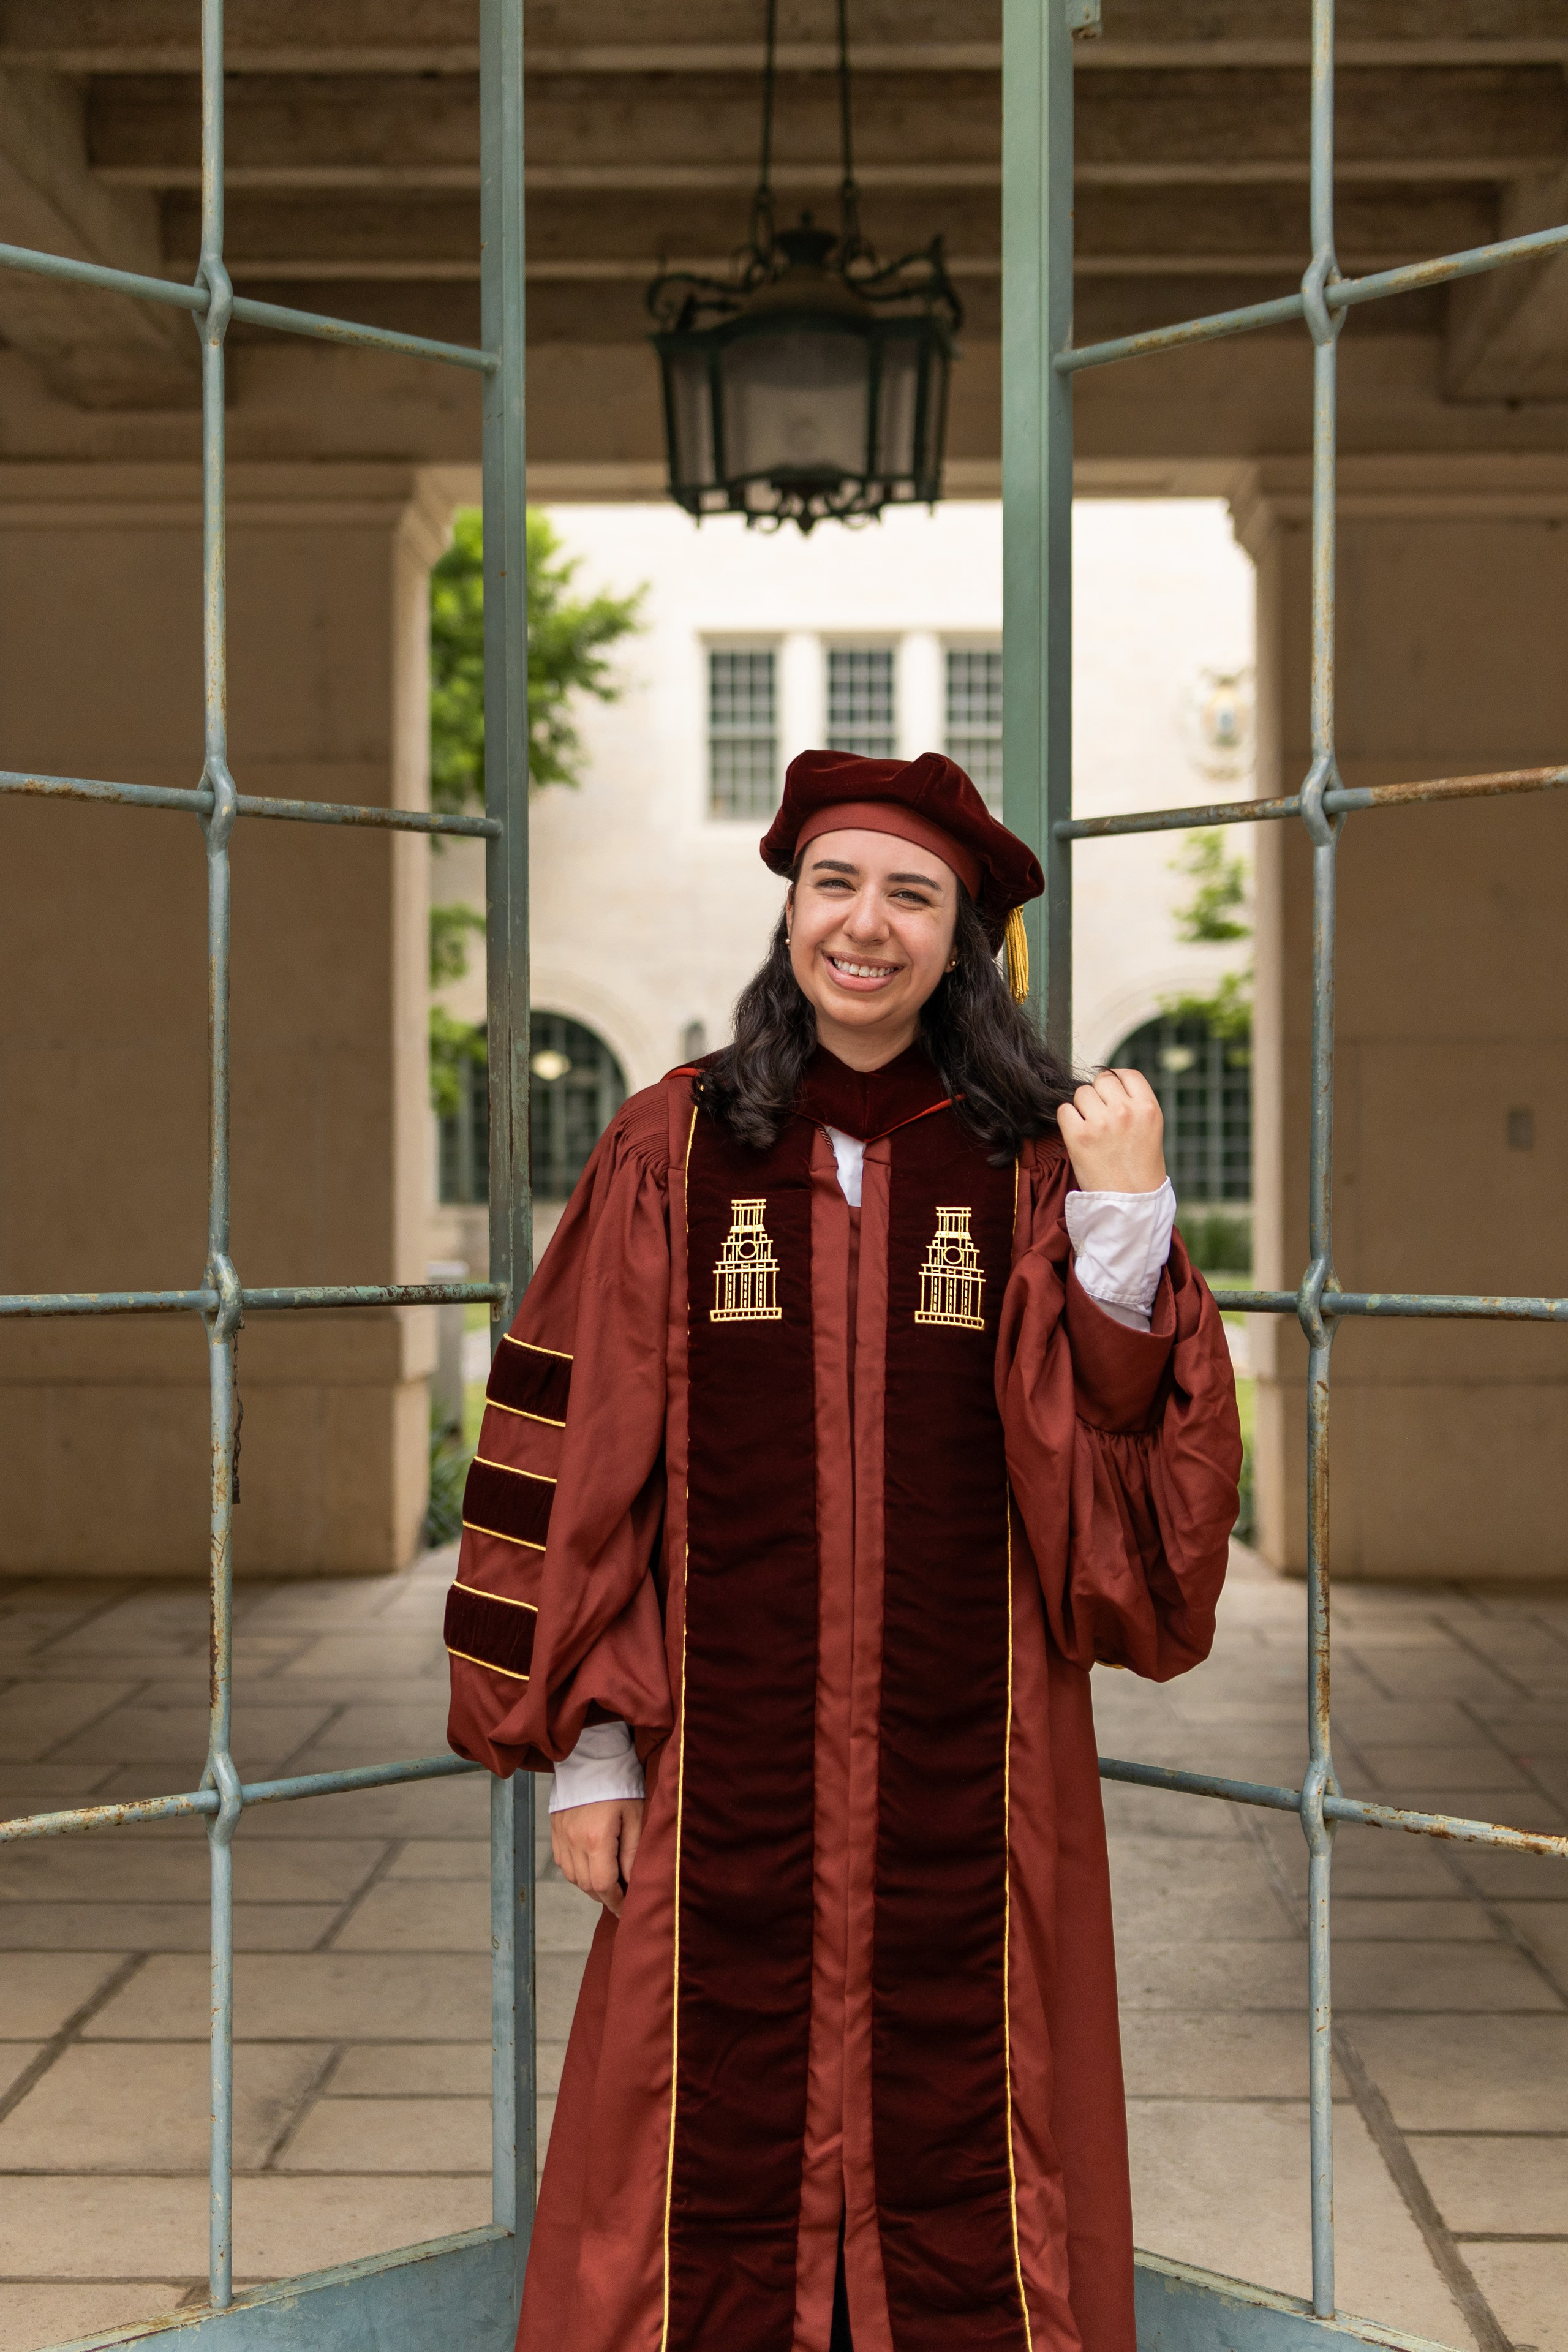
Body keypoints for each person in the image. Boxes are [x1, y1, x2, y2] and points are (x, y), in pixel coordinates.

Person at [445, 747, 1242, 2352]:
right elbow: (583, 1450)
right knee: (684, 2173)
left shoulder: (1033, 1166)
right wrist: (596, 1745)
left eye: (910, 896)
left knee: (980, 2151)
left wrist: (1126, 1230)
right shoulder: (676, 1147)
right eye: (834, 884)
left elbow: (1127, 1526)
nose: (863, 927)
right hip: (722, 1778)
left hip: (986, 1780)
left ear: (966, 941)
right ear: (790, 908)